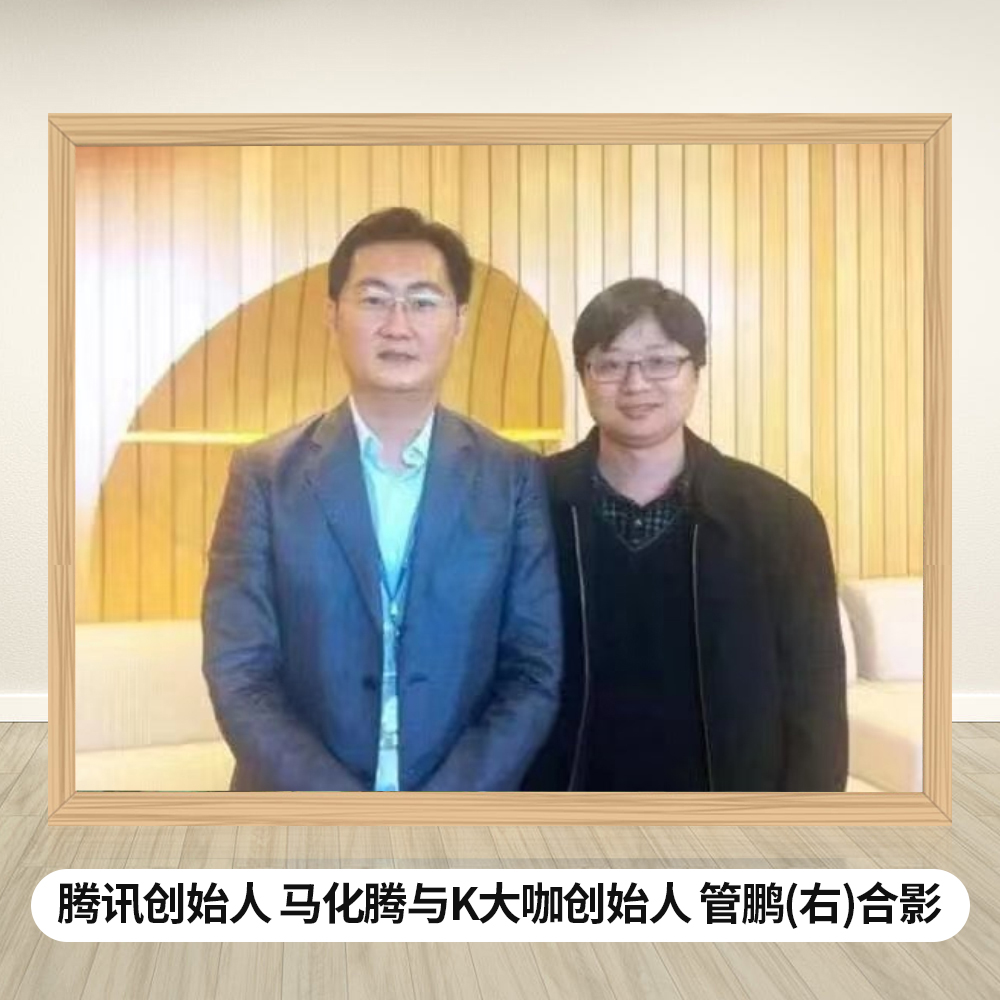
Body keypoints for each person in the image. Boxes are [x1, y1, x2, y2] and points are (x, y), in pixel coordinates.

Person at [202, 207, 562, 792]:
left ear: (459, 321)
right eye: (374, 300)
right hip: (299, 813)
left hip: (460, 814)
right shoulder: (264, 476)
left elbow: (533, 672)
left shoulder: (513, 476)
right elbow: (239, 672)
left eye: (422, 301)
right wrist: (345, 814)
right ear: (332, 315)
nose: (398, 325)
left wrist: (441, 809)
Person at [523, 278, 847, 792]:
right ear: (583, 375)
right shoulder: (527, 505)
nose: (635, 384)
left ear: (696, 372)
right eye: (610, 364)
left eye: (660, 361)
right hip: (561, 806)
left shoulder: (780, 517)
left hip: (730, 812)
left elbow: (816, 698)